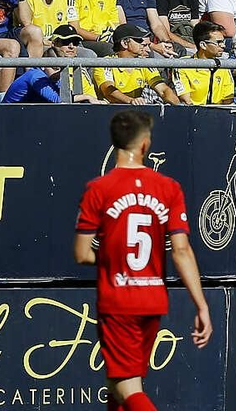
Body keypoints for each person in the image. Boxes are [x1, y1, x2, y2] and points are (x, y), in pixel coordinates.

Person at [74, 109, 213, 411]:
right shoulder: (168, 188)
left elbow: (82, 253)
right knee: (118, 385)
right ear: (145, 145)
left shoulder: (99, 189)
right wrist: (201, 305)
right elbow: (181, 250)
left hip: (118, 299)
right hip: (152, 300)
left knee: (126, 385)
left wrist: (114, 257)